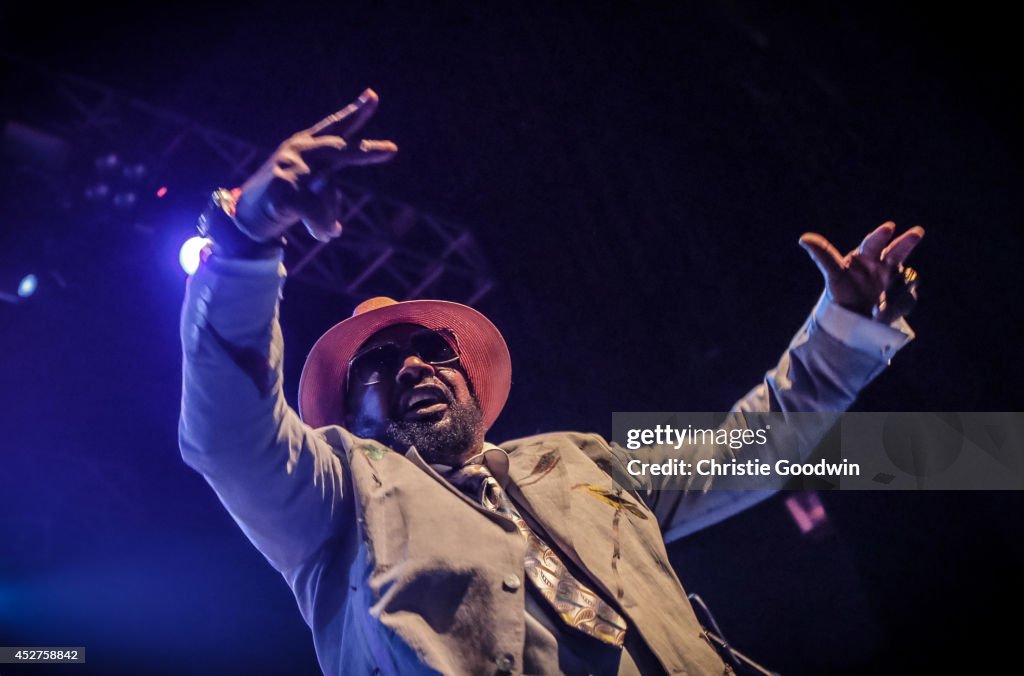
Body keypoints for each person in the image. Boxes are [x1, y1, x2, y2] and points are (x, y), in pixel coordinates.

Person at [178, 89, 924, 675]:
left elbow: (752, 450)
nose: (411, 365)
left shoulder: (581, 461)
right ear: (345, 411)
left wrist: (843, 331)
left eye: (429, 347)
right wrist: (244, 240)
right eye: (376, 362)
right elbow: (228, 431)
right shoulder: (335, 498)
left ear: (467, 374)